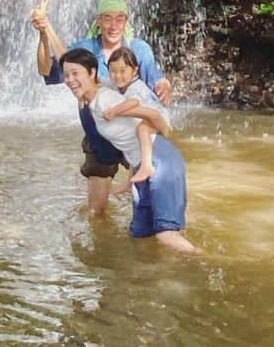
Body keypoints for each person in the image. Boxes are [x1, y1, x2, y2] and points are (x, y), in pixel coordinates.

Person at [31, 0, 171, 215]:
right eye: (107, 18)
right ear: (98, 21)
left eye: (119, 18)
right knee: (96, 211)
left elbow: (154, 79)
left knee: (150, 208)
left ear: (126, 22)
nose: (113, 25)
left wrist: (164, 84)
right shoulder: (87, 48)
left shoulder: (139, 48)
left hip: (132, 135)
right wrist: (45, 32)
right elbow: (48, 69)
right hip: (98, 135)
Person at [59, 47, 197, 254]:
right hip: (143, 166)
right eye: (66, 74)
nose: (70, 79)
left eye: (75, 73)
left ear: (93, 73)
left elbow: (149, 113)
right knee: (139, 235)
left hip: (160, 161)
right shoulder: (94, 100)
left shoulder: (106, 99)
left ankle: (214, 262)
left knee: (166, 236)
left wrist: (163, 126)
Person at [103, 46, 171, 186]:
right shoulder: (118, 84)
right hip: (146, 118)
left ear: (134, 71)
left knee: (142, 129)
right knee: (134, 139)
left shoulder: (136, 87)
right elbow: (101, 81)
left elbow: (133, 102)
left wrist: (114, 111)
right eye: (113, 71)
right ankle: (130, 184)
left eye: (123, 71)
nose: (117, 75)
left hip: (160, 120)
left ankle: (147, 166)